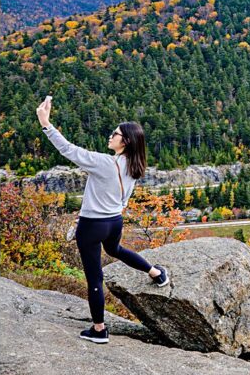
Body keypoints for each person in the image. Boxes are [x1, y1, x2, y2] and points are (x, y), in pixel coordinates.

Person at [35, 95, 170, 344]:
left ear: (125, 141)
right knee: (115, 249)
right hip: (114, 222)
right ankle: (156, 274)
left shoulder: (104, 163)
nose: (110, 136)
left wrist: (46, 124)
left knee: (95, 277)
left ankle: (99, 330)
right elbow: (124, 199)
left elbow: (68, 149)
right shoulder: (135, 165)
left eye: (115, 134)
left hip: (92, 225)